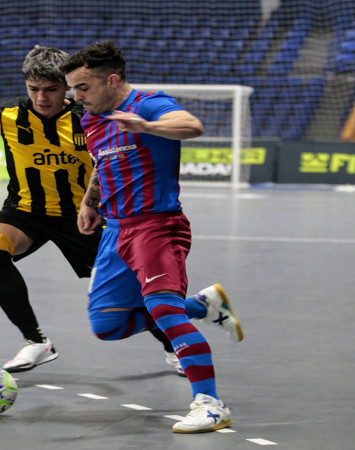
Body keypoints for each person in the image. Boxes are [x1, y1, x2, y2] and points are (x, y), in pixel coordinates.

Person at [0, 45, 236, 376]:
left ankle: (179, 335)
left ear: (67, 87)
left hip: (82, 217)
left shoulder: (88, 115)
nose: (42, 97)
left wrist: (94, 201)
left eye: (51, 89)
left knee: (136, 294)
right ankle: (36, 342)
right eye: (34, 89)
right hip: (24, 210)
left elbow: (108, 161)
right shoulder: (3, 115)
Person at [61, 41, 243, 433]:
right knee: (107, 325)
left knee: (162, 309)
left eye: (83, 87)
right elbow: (103, 162)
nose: (76, 97)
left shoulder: (148, 104)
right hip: (114, 229)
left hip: (157, 226)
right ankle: (203, 306)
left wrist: (146, 126)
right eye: (73, 89)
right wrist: (89, 202)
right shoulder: (91, 118)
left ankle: (210, 403)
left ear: (112, 80)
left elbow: (190, 125)